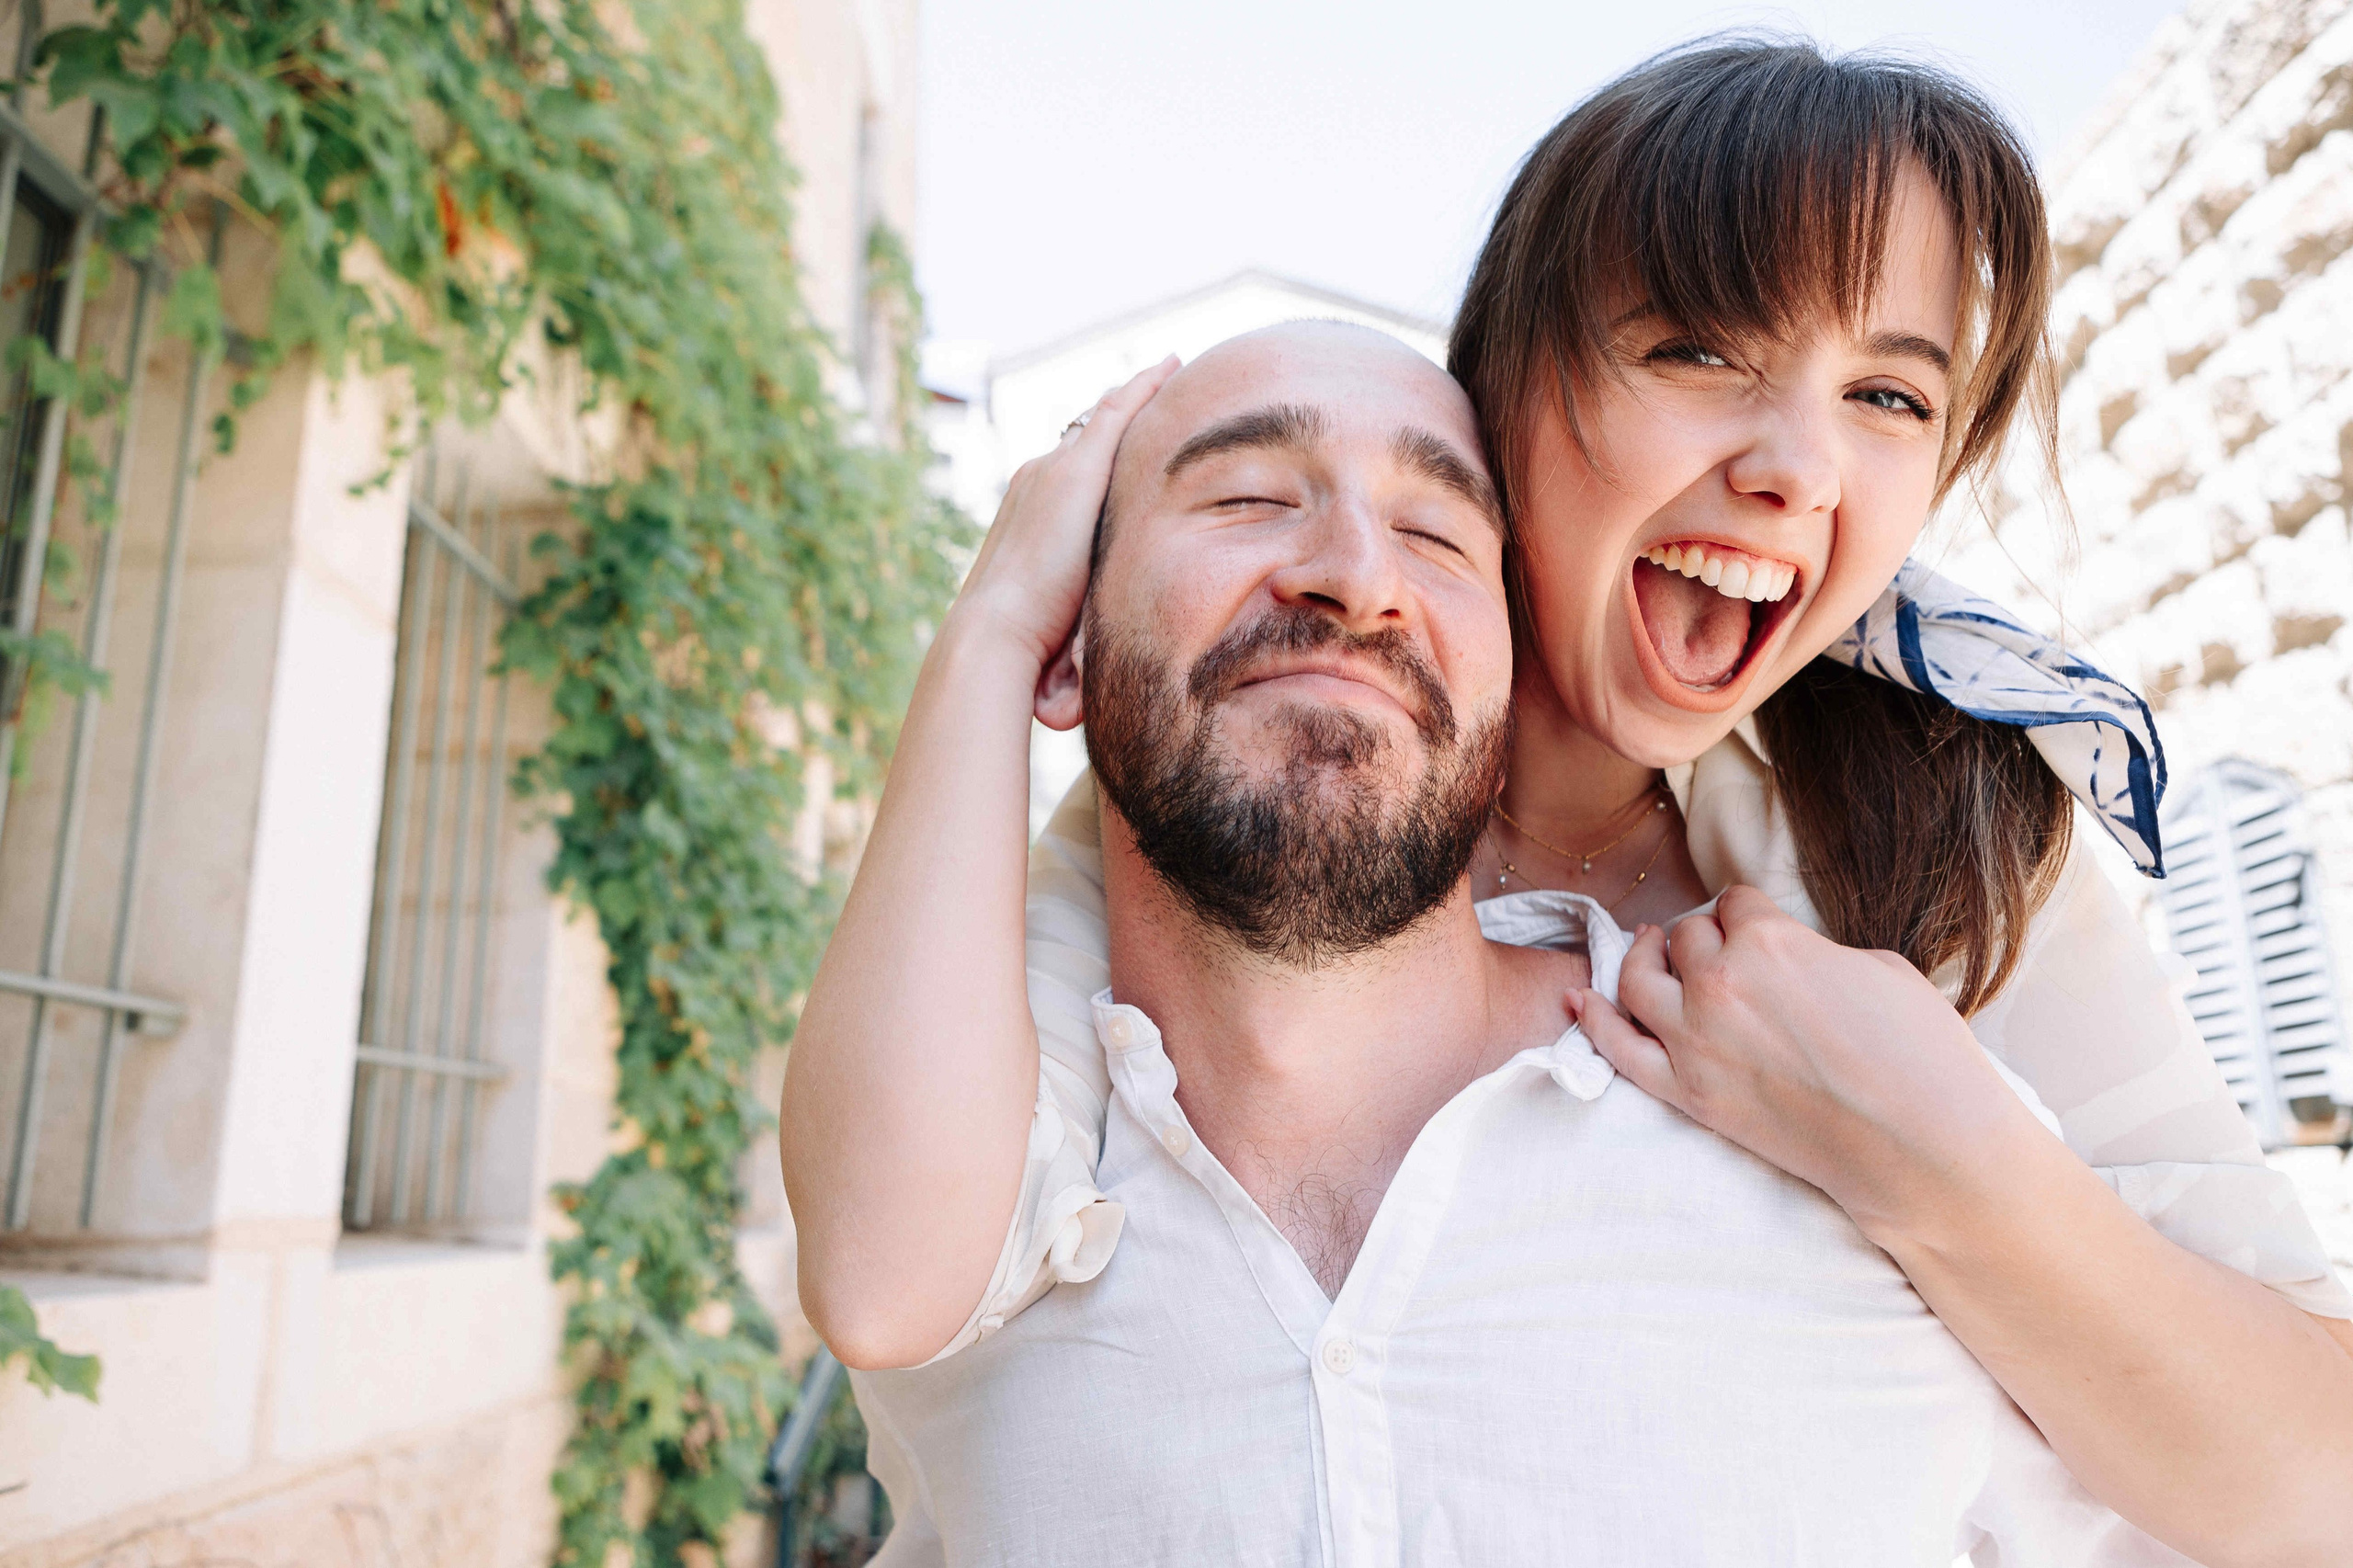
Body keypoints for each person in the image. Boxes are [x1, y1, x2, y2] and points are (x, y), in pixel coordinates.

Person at [785, 37, 2353, 1568]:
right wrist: (1001, 615)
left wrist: (1941, 1156)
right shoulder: (1224, 821)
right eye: (1702, 351)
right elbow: (891, 1263)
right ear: (1501, 387)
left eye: (1889, 397)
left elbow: (2313, 1483)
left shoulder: (1948, 839)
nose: (1800, 469)